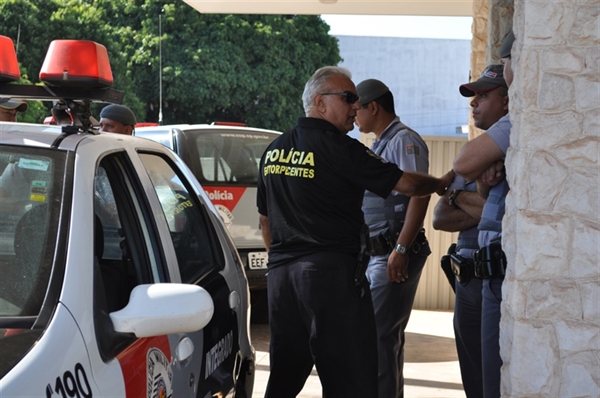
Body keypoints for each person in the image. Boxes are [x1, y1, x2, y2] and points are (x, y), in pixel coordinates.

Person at [257, 66, 453, 398]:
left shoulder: (274, 149)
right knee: (350, 376)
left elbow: (265, 221)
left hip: (281, 279)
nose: (354, 107)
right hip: (329, 278)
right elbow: (407, 183)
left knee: (284, 376)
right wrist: (442, 183)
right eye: (348, 98)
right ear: (320, 103)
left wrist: (284, 259)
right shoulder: (340, 148)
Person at [354, 78, 431, 398]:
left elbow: (420, 193)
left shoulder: (403, 141)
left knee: (378, 338)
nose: (353, 116)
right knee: (383, 338)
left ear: (373, 107)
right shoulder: (382, 142)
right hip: (380, 252)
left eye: (356, 109)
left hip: (393, 251)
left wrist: (400, 248)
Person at [453, 31, 514, 398]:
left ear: (506, 102)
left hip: (495, 271)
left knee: (492, 377)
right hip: (474, 271)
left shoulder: (507, 129)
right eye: (473, 97)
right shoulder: (492, 146)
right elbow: (443, 214)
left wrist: (469, 182)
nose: (474, 104)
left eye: (484, 95)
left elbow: (462, 165)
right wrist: (482, 182)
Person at [433, 173, 485, 397]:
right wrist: (487, 210)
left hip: (496, 276)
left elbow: (507, 210)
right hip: (464, 277)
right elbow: (440, 218)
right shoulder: (468, 167)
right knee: (472, 368)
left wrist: (457, 197)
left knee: (496, 362)